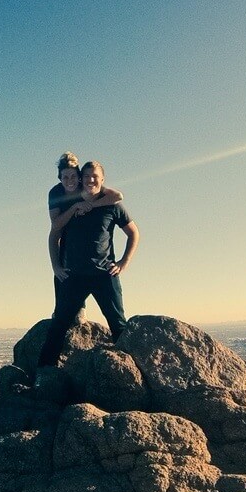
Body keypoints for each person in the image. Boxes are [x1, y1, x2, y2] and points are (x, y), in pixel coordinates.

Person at [38, 160, 139, 368]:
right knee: (58, 326)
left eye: (95, 176)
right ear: (81, 180)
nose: (91, 180)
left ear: (102, 180)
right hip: (72, 275)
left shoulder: (112, 205)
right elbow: (54, 234)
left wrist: (123, 262)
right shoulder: (68, 205)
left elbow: (133, 233)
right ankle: (42, 376)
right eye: (87, 176)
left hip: (105, 274)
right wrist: (56, 267)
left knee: (118, 324)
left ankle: (133, 374)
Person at [47, 152, 123, 316]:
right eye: (65, 177)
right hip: (64, 243)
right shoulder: (56, 193)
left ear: (79, 177)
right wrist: (75, 207)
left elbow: (118, 196)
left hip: (95, 259)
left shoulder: (87, 187)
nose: (70, 181)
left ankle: (80, 307)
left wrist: (90, 205)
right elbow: (55, 227)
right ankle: (60, 309)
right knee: (62, 271)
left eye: (73, 176)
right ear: (59, 178)